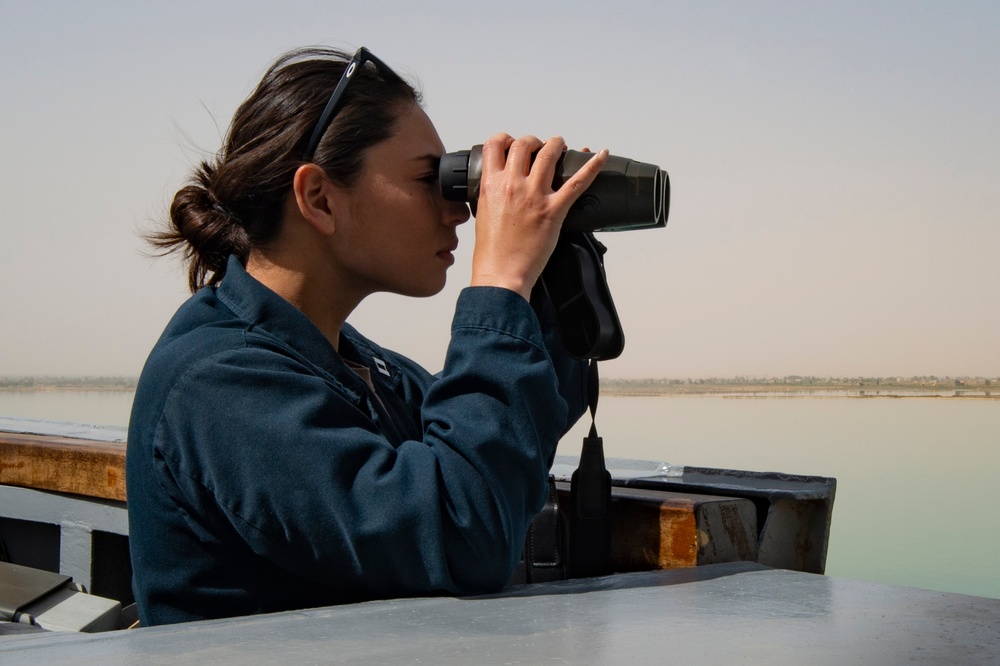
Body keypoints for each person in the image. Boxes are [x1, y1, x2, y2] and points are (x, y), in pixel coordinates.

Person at [126, 46, 609, 626]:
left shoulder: (359, 368)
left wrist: (545, 284)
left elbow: (503, 440)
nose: (459, 212)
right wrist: (500, 281)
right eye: (431, 179)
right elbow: (466, 531)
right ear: (319, 199)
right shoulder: (217, 382)